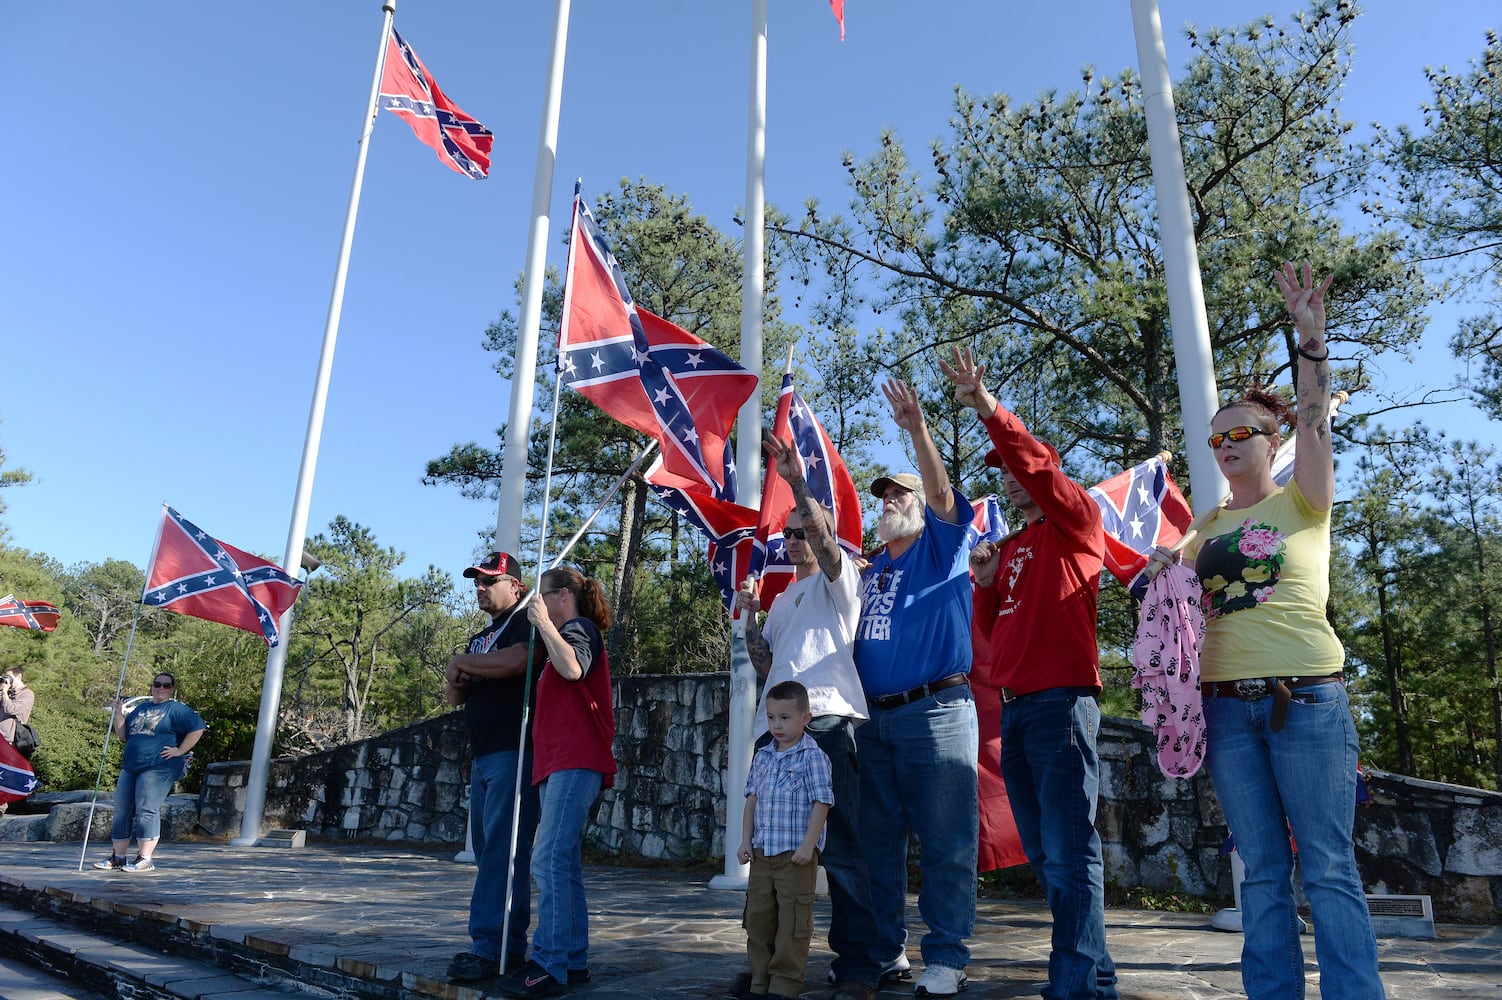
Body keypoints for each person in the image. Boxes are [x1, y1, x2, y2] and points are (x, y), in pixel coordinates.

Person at [1164, 264, 1386, 999]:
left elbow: (1316, 418)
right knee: (1259, 870)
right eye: (1216, 435)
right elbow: (1166, 611)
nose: (1225, 443)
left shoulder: (1304, 501)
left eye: (1240, 433)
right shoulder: (1204, 527)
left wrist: (1310, 341)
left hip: (1309, 702)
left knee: (1325, 865)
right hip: (1227, 709)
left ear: (1270, 439)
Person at [943, 346, 1118, 1000]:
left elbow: (1037, 467)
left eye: (1016, 471)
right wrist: (985, 587)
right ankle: (1096, 979)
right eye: (1002, 475)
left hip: (1062, 705)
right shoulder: (1010, 548)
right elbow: (996, 639)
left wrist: (987, 408)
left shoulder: (1076, 522)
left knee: (1071, 854)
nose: (1010, 481)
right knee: (1048, 856)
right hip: (1016, 711)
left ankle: (1074, 987)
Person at [737, 434, 889, 1000]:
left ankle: (859, 965)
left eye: (805, 531)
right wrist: (750, 620)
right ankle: (771, 970)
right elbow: (768, 664)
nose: (796, 540)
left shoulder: (840, 577)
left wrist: (797, 480)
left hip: (825, 725)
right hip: (772, 733)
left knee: (842, 848)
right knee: (773, 859)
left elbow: (828, 546)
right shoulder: (783, 598)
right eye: (789, 534)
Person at [852, 378, 978, 999]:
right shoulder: (872, 569)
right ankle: (886, 951)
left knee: (946, 841)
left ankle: (948, 955)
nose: (889, 501)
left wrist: (917, 430)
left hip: (938, 712)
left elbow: (939, 492)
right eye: (882, 496)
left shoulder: (944, 548)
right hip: (873, 722)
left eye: (899, 493)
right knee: (879, 844)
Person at [504, 567, 617, 998]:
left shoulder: (578, 629)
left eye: (543, 596)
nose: (538, 603)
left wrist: (546, 626)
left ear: (563, 595)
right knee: (562, 862)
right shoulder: (563, 632)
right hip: (559, 764)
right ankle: (571, 960)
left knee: (547, 859)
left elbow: (572, 669)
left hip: (576, 760)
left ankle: (550, 962)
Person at [444, 552, 545, 983]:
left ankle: (491, 947)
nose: (480, 588)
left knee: (504, 852)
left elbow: (518, 661)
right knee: (490, 853)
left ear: (515, 586)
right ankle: (504, 943)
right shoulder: (480, 638)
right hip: (483, 754)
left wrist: (463, 666)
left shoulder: (526, 623)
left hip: (515, 750)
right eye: (477, 582)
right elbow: (454, 695)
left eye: (490, 580)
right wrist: (461, 668)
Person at [737, 679, 834, 1000]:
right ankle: (759, 983)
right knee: (759, 921)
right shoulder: (763, 756)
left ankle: (784, 986)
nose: (776, 725)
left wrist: (809, 844)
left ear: (805, 718)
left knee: (793, 924)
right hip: (763, 855)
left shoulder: (813, 757)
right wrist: (745, 841)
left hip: (796, 857)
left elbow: (822, 802)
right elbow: (751, 800)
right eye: (771, 717)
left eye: (785, 717)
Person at [93, 672, 205, 873]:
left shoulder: (176, 709)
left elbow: (198, 727)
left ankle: (145, 858)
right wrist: (118, 713)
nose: (161, 688)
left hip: (158, 766)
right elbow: (123, 735)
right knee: (121, 809)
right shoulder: (141, 708)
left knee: (146, 808)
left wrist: (180, 750)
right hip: (132, 765)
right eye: (157, 684)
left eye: (166, 685)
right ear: (152, 686)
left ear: (172, 689)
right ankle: (118, 857)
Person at [1, 666, 35, 746]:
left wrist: (4, 692)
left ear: (19, 676)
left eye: (9, 677)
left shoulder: (27, 694)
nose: (7, 680)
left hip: (8, 741)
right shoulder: (8, 693)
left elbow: (10, 709)